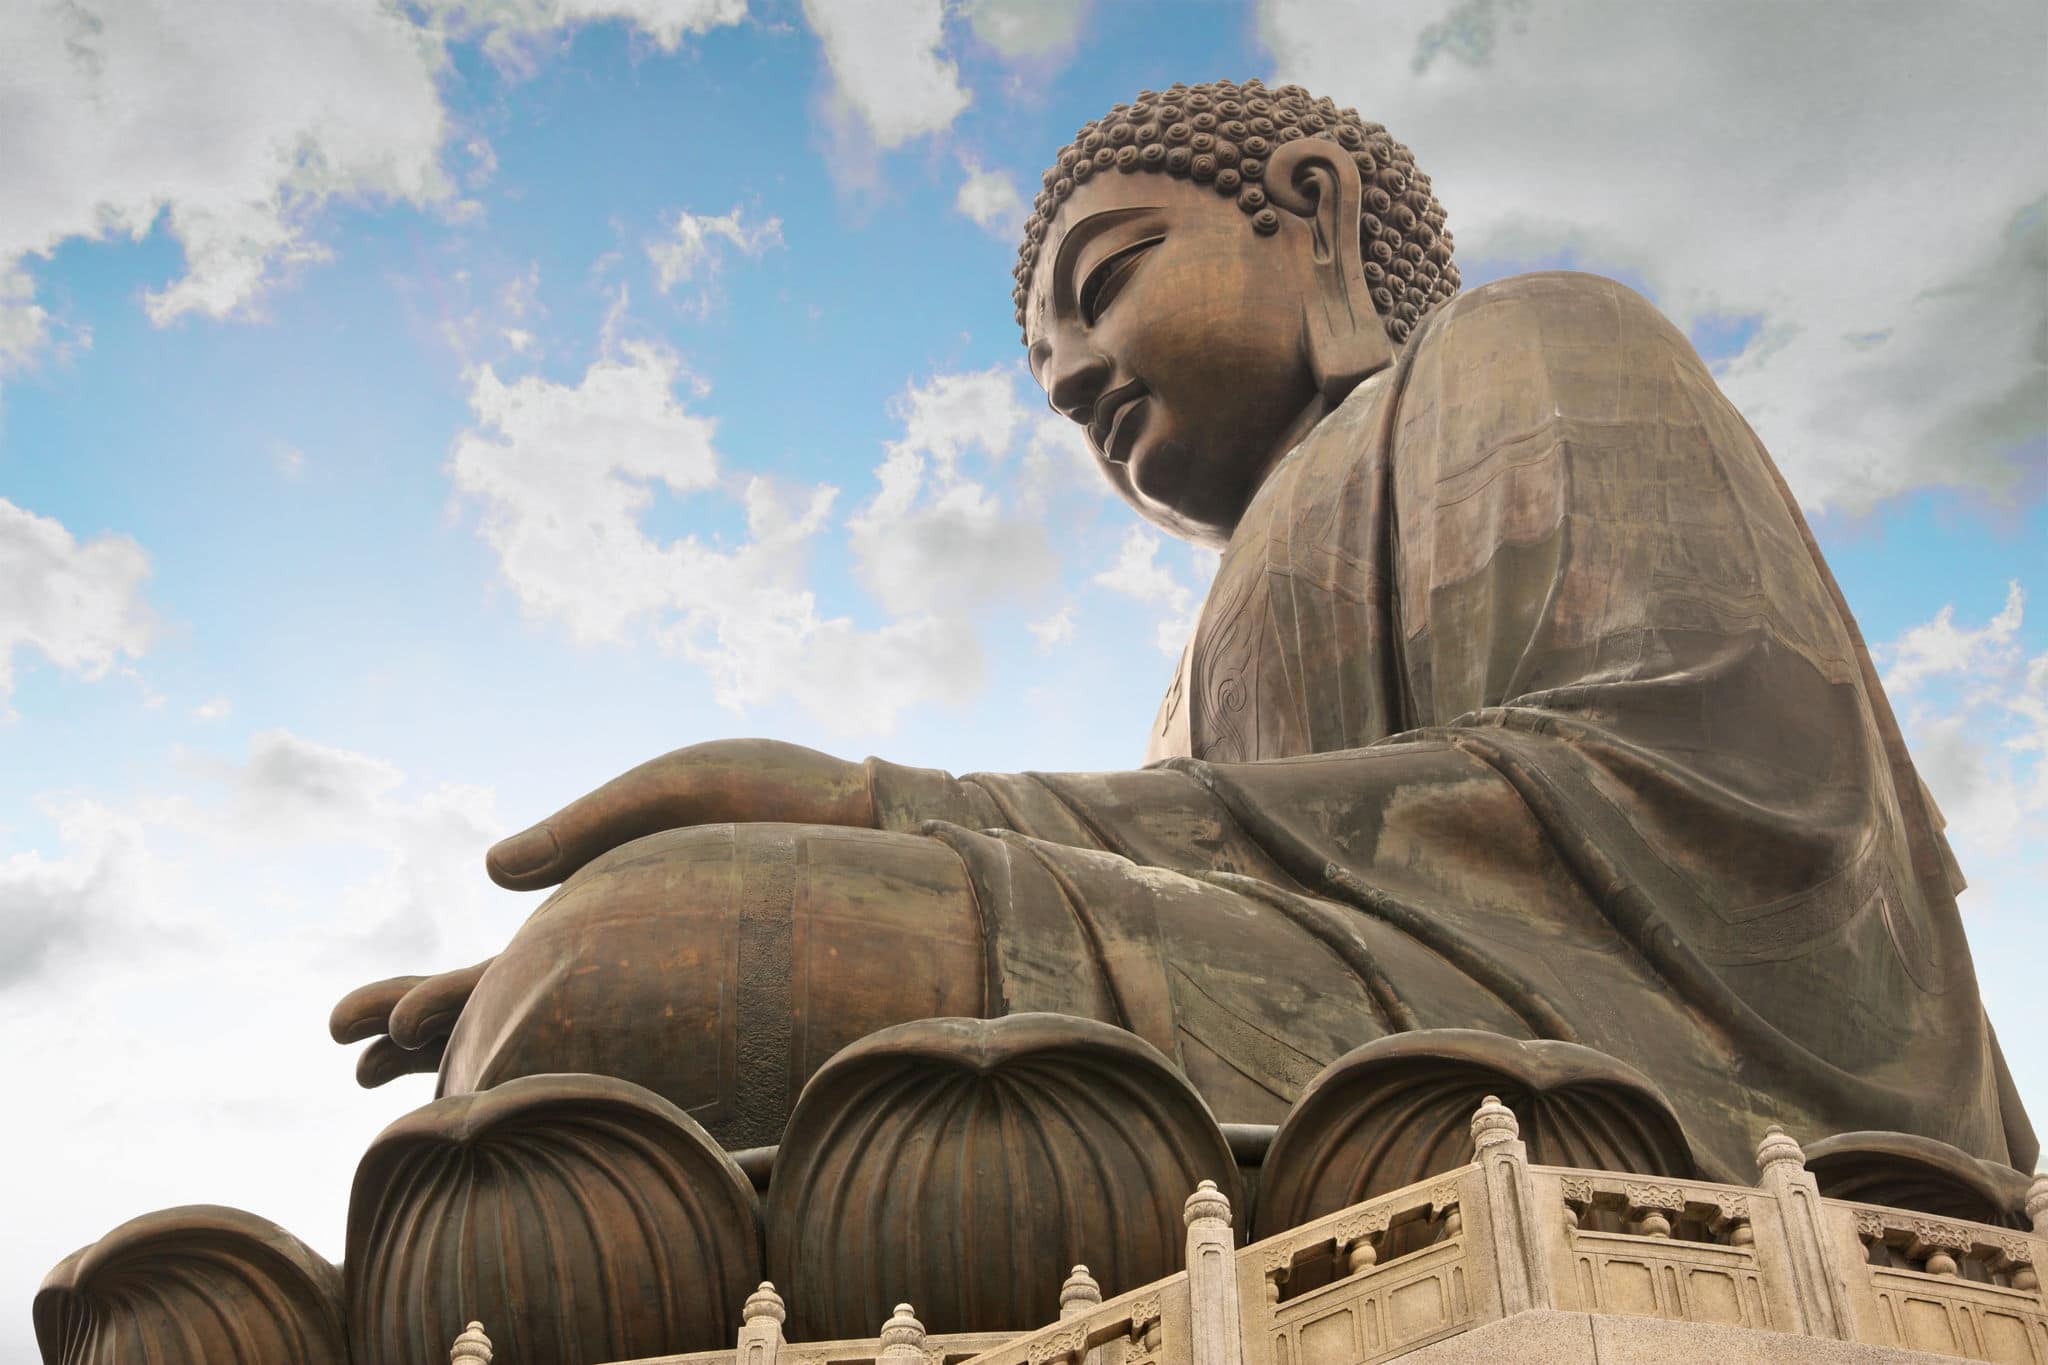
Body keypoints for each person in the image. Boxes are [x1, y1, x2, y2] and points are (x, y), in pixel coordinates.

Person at [332, 79, 2034, 1182]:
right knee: (639, 976)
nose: (1072, 376)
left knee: (635, 956)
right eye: (1052, 381)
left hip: (1670, 1085)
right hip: (1346, 1041)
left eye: (1107, 281)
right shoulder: (1192, 661)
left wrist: (883, 810)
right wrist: (844, 852)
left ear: (1309, 207)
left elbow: (1715, 800)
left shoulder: (1536, 344)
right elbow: (1202, 909)